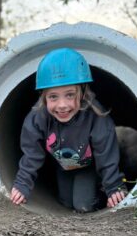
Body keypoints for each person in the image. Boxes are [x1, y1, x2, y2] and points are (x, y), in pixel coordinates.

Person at [10, 48, 127, 212]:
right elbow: (32, 154)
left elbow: (105, 154)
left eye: (70, 95)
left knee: (82, 205)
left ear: (83, 93)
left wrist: (114, 187)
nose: (62, 105)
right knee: (65, 203)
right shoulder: (37, 119)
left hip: (89, 167)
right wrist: (22, 184)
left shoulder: (95, 117)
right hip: (63, 167)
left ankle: (101, 190)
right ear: (44, 96)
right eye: (53, 96)